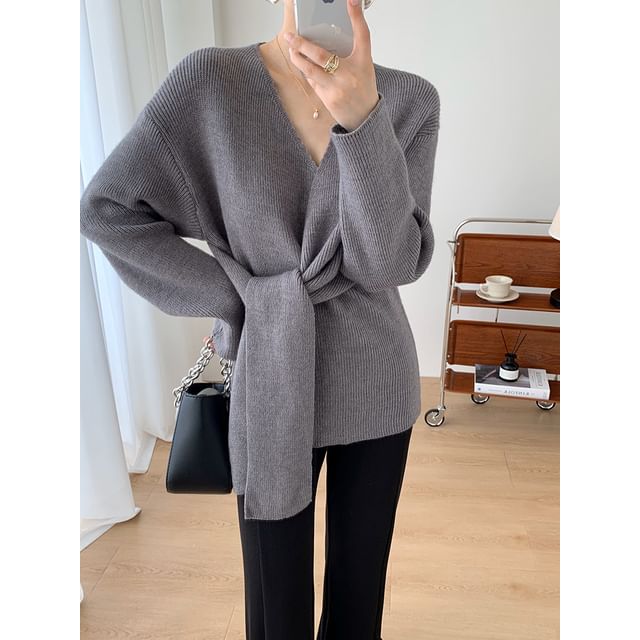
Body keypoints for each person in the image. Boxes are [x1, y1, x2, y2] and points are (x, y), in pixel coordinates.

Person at [80, 0, 440, 637]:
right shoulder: (210, 83)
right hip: (269, 374)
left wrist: (362, 120)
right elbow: (109, 210)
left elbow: (386, 263)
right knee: (276, 608)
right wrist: (238, 295)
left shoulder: (409, 99)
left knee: (358, 603)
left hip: (376, 379)